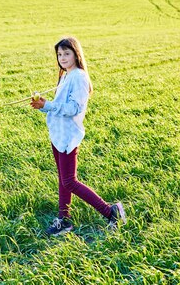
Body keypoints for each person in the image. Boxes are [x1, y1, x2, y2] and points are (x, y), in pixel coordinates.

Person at [30, 37, 126, 235]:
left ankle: (111, 212)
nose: (62, 58)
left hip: (68, 136)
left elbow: (73, 108)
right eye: (59, 54)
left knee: (69, 181)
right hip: (58, 134)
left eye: (67, 53)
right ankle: (64, 219)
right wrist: (43, 106)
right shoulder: (66, 75)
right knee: (63, 179)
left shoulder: (79, 77)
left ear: (76, 54)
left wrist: (48, 105)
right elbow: (59, 107)